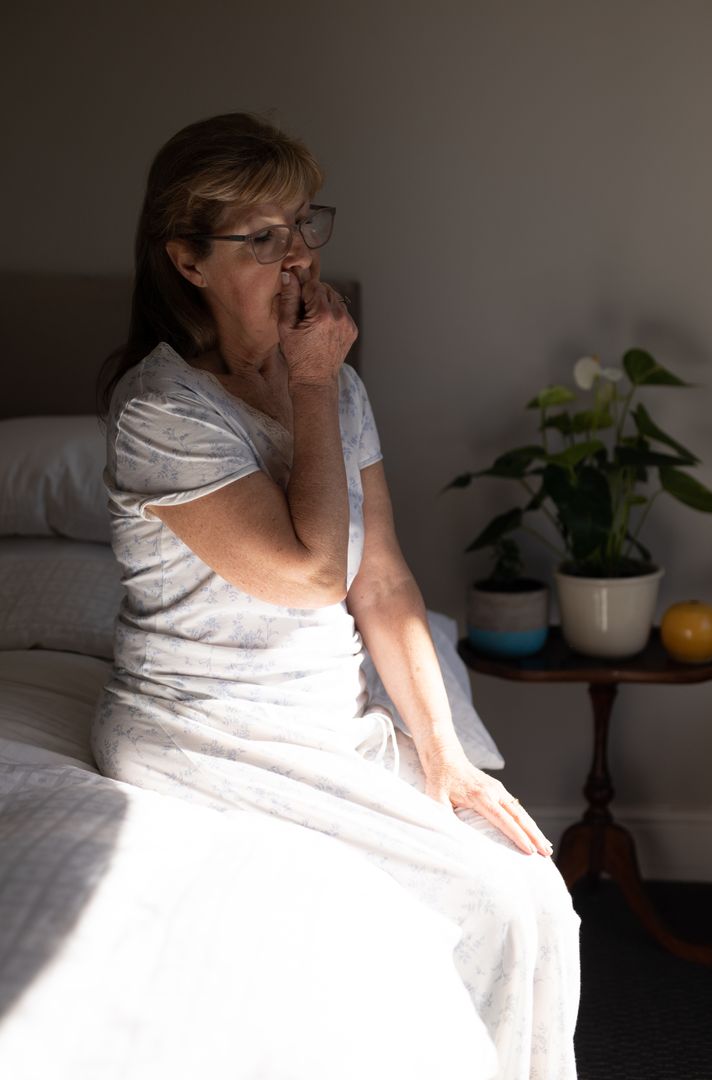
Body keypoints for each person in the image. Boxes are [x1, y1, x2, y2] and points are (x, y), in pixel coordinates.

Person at [93, 112, 580, 1079]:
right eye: (261, 238)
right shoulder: (160, 412)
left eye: (304, 226)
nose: (297, 259)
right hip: (206, 732)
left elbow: (383, 580)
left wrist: (443, 754)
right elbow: (314, 572)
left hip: (327, 717)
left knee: (536, 894)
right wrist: (314, 386)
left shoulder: (335, 387)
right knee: (482, 905)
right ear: (187, 260)